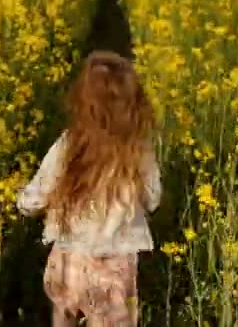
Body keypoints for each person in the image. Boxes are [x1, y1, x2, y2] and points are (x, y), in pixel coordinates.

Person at [16, 50, 162, 327]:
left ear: (83, 101)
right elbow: (153, 199)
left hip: (68, 261)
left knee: (63, 317)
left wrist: (23, 203)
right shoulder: (139, 151)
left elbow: (37, 194)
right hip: (114, 268)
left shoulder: (68, 144)